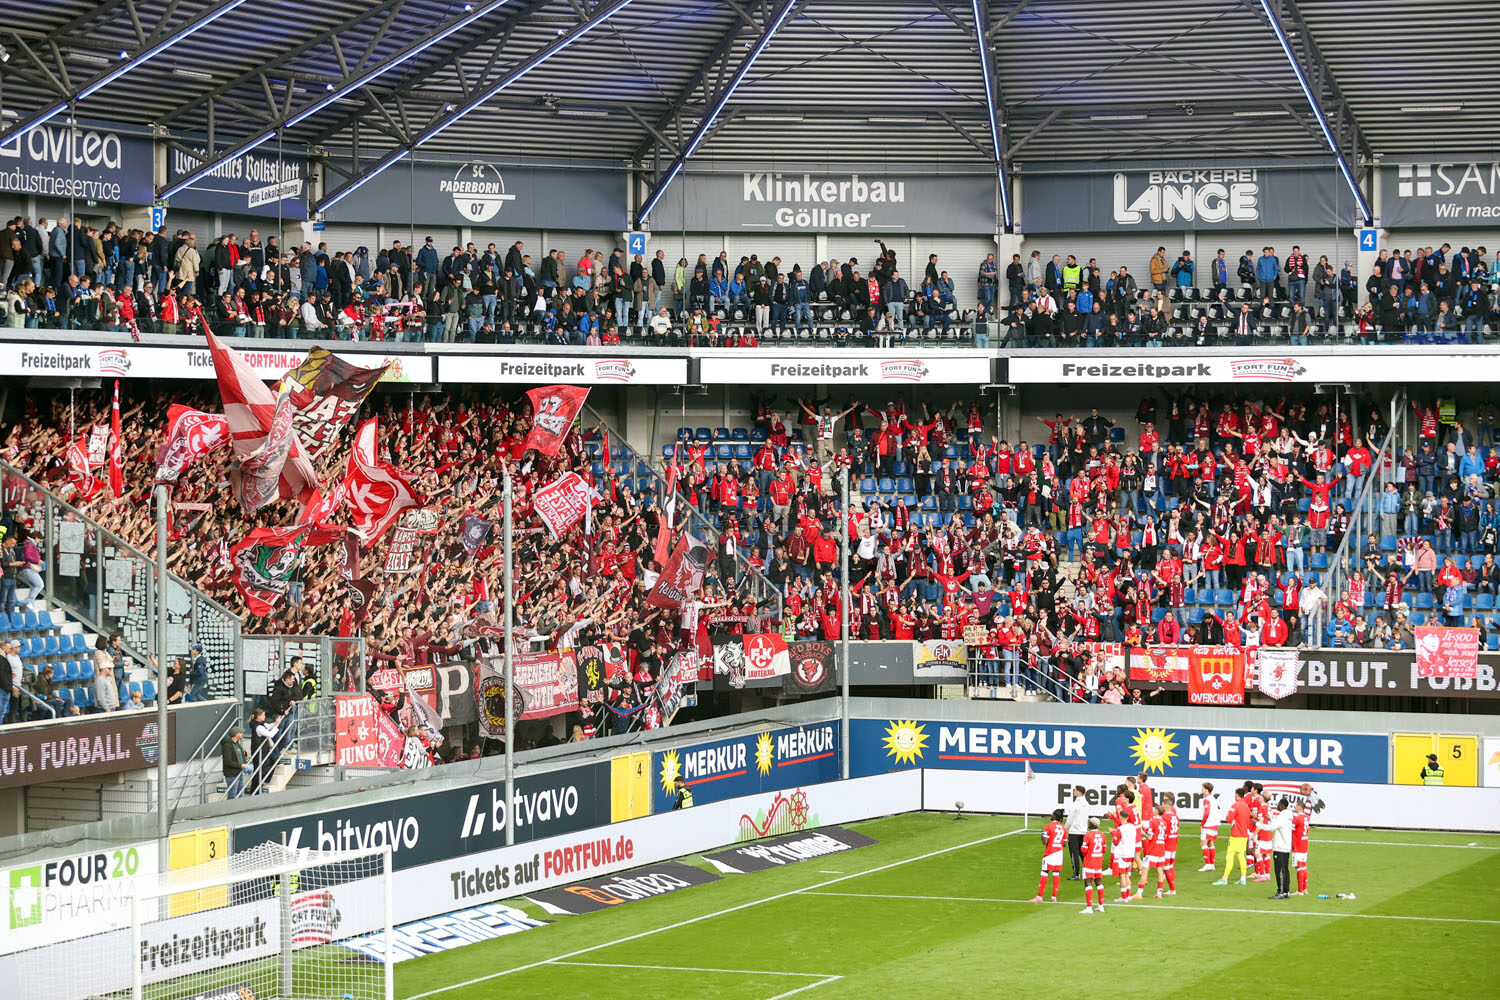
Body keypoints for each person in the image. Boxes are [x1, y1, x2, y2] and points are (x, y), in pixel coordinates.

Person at [1213, 786, 1252, 885]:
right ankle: (1243, 878)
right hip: (1244, 834)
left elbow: (1229, 819)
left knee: (1230, 856)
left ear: (1237, 794)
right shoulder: (1246, 806)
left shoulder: (1235, 805)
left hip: (1236, 835)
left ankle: (1224, 878)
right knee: (1241, 856)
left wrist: (1228, 814)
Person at [1260, 797, 1295, 899]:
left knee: (1279, 870)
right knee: (1285, 869)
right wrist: (1271, 819)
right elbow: (1279, 824)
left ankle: (1281, 892)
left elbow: (1271, 828)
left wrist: (1257, 823)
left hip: (1280, 847)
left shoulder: (1282, 816)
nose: (1277, 806)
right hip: (1285, 846)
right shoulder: (1287, 816)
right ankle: (1286, 891)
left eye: (1279, 804)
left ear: (1282, 806)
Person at [1031, 808, 1067, 903]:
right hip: (1059, 852)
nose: (1051, 815)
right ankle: (1054, 897)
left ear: (1055, 816)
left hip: (1050, 852)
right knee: (1056, 873)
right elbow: (1065, 843)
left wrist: (1042, 836)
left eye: (1052, 814)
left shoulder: (1049, 826)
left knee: (1044, 871)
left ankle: (1039, 896)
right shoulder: (1063, 828)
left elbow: (1045, 841)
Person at [1079, 817, 1107, 914]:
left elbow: (1083, 850)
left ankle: (1089, 907)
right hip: (1098, 862)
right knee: (1099, 882)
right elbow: (1104, 849)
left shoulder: (1088, 835)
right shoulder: (1102, 835)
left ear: (1092, 825)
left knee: (1088, 883)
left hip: (1089, 861)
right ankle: (1101, 906)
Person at [1064, 784, 1089, 879]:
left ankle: (1076, 874)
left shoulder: (1075, 805)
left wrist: (1064, 828)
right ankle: (1086, 872)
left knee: (1074, 853)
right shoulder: (1087, 804)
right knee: (1082, 853)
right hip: (1083, 831)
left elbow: (1070, 819)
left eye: (1075, 790)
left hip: (1074, 831)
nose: (1073, 792)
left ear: (1079, 792)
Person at [221, 725, 250, 798]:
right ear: (236, 734)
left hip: (239, 773)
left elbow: (239, 755)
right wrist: (241, 765)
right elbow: (227, 762)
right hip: (232, 775)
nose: (242, 734)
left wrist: (244, 759)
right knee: (232, 796)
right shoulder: (227, 746)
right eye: (241, 732)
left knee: (241, 795)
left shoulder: (236, 744)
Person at [1198, 781, 1220, 872]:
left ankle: (1207, 864)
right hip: (1215, 824)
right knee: (1211, 843)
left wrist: (1202, 824)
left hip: (1208, 824)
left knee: (1203, 844)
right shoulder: (1213, 799)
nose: (1201, 789)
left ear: (1206, 790)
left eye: (1202, 788)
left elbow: (1206, 813)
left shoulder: (1206, 799)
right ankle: (1212, 864)